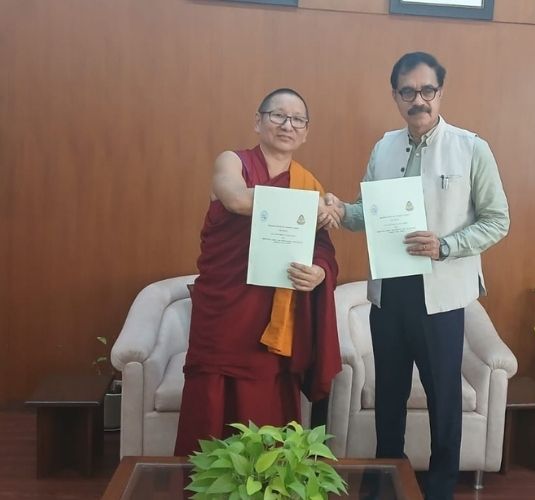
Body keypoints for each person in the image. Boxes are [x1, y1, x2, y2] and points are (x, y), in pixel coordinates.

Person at [325, 52, 510, 499]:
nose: (418, 100)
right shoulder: (384, 147)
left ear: (440, 92)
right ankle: (386, 483)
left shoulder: (471, 148)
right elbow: (367, 214)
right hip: (389, 294)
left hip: (441, 296)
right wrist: (338, 210)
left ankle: (441, 490)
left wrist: (446, 245)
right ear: (395, 96)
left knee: (443, 400)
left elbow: (497, 220)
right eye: (408, 91)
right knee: (389, 396)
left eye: (427, 90)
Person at [174, 88, 341, 456]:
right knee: (211, 407)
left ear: (306, 131)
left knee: (267, 414)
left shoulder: (307, 183)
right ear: (258, 121)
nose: (287, 125)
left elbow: (322, 248)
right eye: (277, 115)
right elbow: (234, 198)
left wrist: (319, 272)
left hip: (273, 321)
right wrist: (309, 205)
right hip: (225, 314)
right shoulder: (233, 162)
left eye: (297, 119)